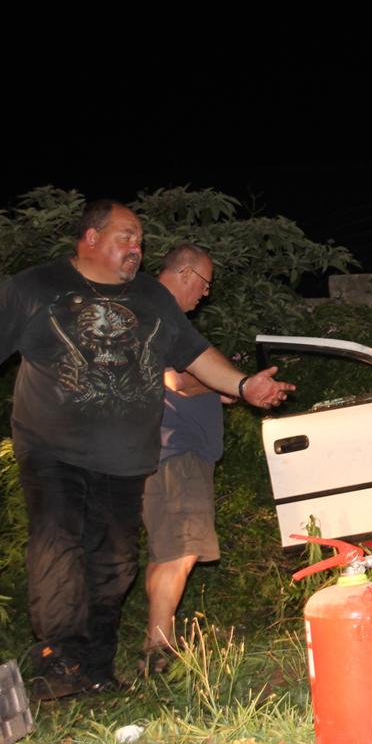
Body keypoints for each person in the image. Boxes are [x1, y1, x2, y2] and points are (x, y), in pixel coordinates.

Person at [0, 200, 294, 701]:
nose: (137, 247)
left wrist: (243, 385)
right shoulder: (38, 287)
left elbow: (195, 355)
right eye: (126, 236)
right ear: (90, 237)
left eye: (140, 240)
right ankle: (58, 662)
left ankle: (95, 667)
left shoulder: (151, 297)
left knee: (114, 564)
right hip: (53, 449)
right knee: (60, 548)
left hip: (126, 458)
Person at [140, 244, 227, 673]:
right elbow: (175, 379)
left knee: (166, 550)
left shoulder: (147, 312)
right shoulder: (160, 316)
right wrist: (227, 384)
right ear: (187, 273)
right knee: (182, 549)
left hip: (161, 449)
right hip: (176, 451)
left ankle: (157, 641)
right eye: (205, 284)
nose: (205, 294)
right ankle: (159, 649)